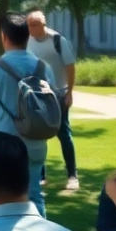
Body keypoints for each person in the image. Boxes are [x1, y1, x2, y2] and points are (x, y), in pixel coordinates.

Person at [0, 12, 55, 217]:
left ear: (4, 36)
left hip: (5, 143)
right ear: (28, 36)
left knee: (3, 200)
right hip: (36, 141)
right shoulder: (43, 67)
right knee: (35, 195)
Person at [27, 10, 80, 191]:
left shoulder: (58, 40)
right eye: (28, 25)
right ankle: (41, 175)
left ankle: (72, 175)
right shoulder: (27, 41)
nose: (30, 29)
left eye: (33, 25)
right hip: (37, 94)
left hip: (58, 93)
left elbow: (70, 66)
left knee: (64, 133)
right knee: (39, 134)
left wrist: (69, 92)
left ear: (42, 24)